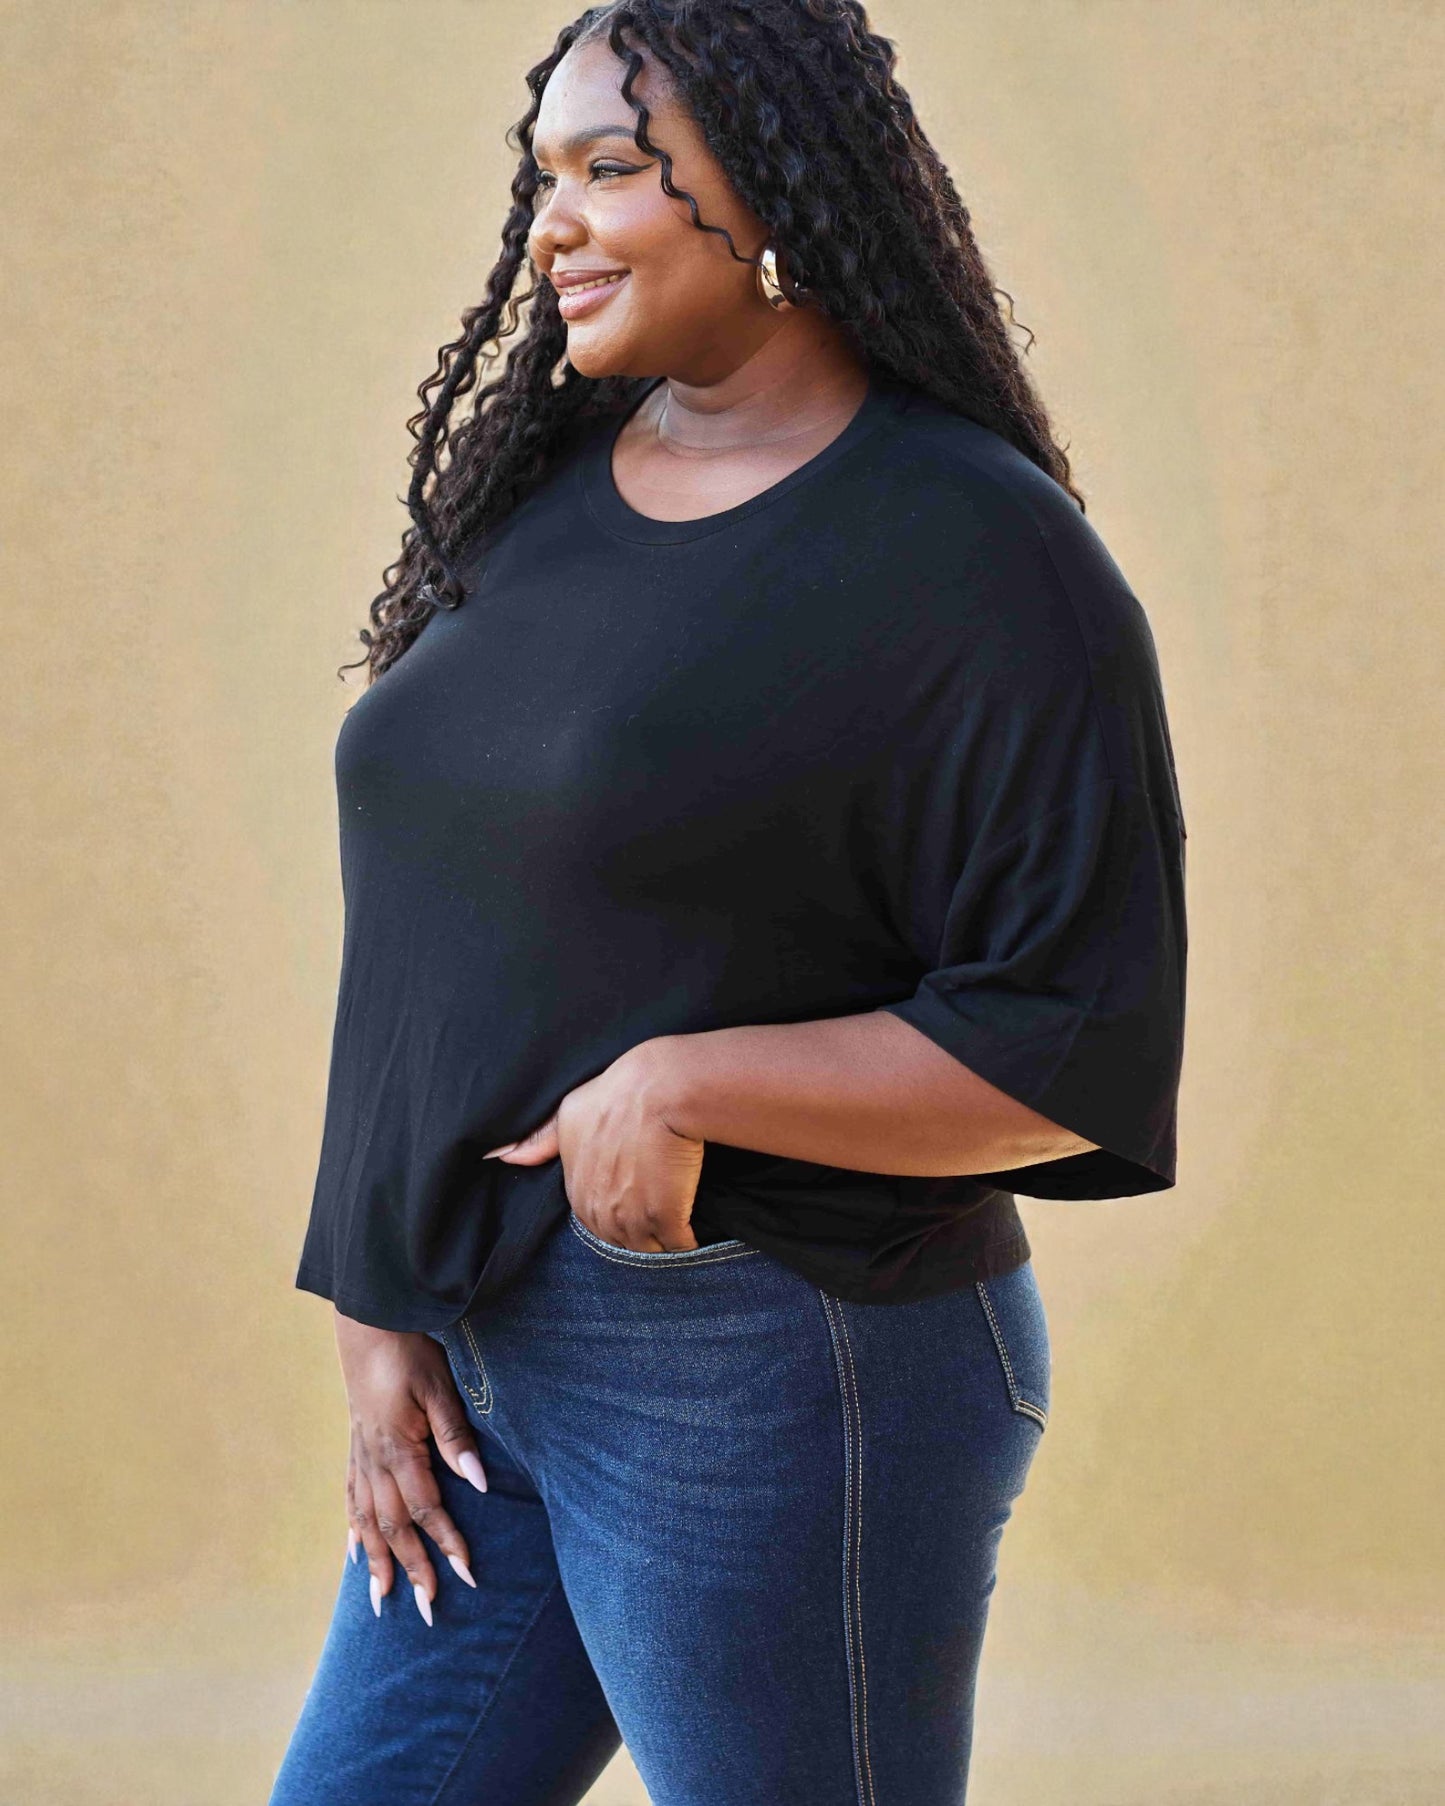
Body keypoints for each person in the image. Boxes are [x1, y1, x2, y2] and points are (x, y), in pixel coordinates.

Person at [269, 3, 1188, 1802]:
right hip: (479, 1356)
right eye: (543, 172)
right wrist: (376, 1292)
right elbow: (437, 930)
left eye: (612, 169)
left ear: (768, 198)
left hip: (772, 1353)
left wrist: (685, 1087)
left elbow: (1072, 1039)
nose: (551, 220)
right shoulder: (536, 501)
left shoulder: (975, 552)